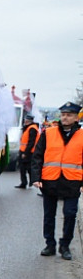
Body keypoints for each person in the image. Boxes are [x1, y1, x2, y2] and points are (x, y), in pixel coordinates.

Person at [31, 101, 83, 260]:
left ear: (76, 118)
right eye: (63, 115)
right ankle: (50, 244)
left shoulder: (81, 136)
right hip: (50, 180)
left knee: (70, 214)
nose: (65, 118)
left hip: (72, 182)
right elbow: (37, 156)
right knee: (49, 215)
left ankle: (65, 245)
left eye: (69, 115)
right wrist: (36, 178)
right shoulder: (48, 133)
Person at [16, 113, 40, 189]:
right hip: (26, 151)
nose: (25, 121)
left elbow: (31, 142)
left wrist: (25, 153)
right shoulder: (29, 127)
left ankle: (27, 182)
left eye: (26, 120)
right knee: (25, 168)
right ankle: (26, 182)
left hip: (28, 152)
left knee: (26, 168)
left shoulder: (32, 128)